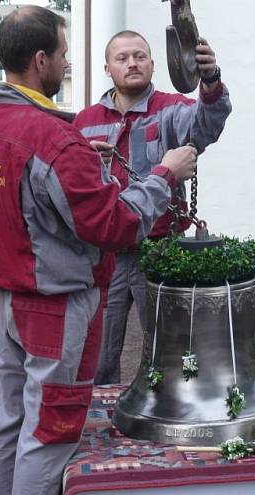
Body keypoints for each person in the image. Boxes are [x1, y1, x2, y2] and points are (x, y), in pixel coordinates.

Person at [0, 6, 198, 495]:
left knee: (9, 416)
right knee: (51, 427)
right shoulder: (53, 139)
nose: (68, 63)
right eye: (64, 54)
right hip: (52, 304)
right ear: (40, 61)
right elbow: (112, 224)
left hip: (3, 297)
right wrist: (164, 176)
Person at [73, 29, 231, 384]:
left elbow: (205, 125)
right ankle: (99, 421)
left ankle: (171, 418)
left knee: (171, 349)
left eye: (139, 56)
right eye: (122, 57)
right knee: (97, 352)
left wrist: (210, 80)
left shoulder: (173, 109)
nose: (132, 63)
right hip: (105, 257)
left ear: (153, 64)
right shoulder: (84, 122)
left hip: (159, 251)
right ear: (107, 68)